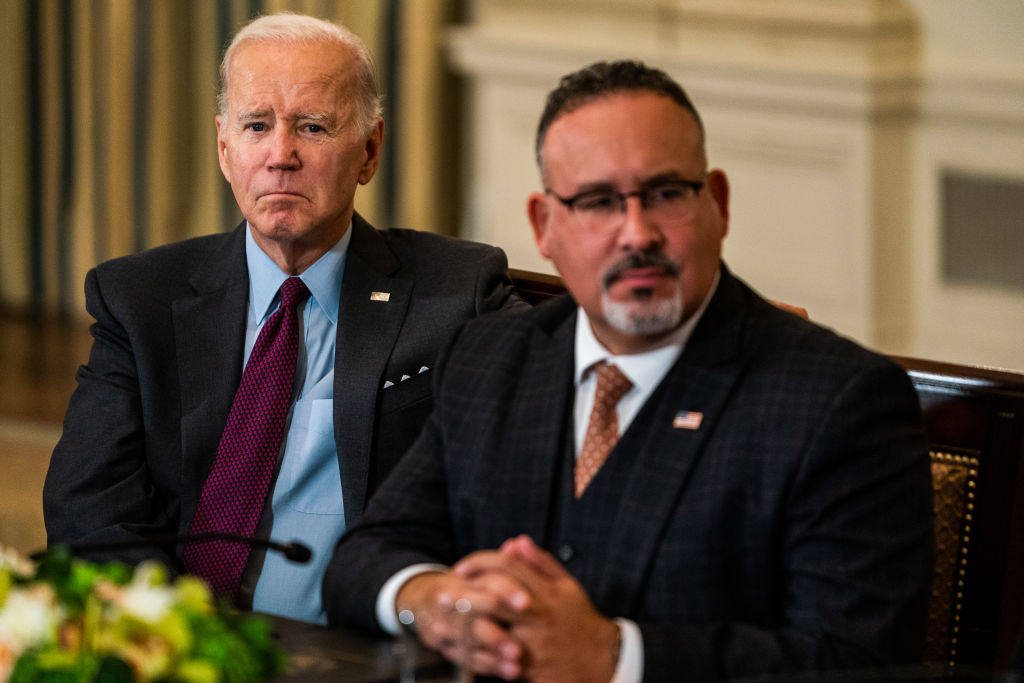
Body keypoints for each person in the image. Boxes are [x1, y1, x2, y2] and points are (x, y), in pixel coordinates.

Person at [323, 60, 934, 681]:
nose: (636, 233)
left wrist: (615, 658)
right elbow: (363, 559)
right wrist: (433, 603)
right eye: (598, 202)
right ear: (545, 226)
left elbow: (858, 664)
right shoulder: (491, 357)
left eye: (666, 194)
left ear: (718, 204)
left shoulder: (838, 401)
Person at [42, 12, 520, 625]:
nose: (280, 155)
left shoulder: (457, 294)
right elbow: (89, 512)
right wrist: (177, 644)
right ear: (224, 147)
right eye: (256, 125)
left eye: (313, 127)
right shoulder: (139, 299)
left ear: (369, 150)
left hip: (357, 652)